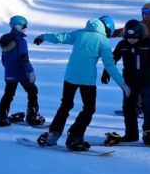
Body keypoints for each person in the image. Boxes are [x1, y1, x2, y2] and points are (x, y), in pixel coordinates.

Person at [32, 15, 130, 151]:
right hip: (87, 80)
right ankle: (75, 136)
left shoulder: (80, 33)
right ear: (107, 29)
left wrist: (43, 36)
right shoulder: (103, 41)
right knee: (89, 109)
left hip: (70, 76)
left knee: (65, 105)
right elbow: (110, 65)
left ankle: (53, 134)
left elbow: (61, 37)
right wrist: (123, 84)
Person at [0, 15, 45, 126]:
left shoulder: (5, 40)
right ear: (18, 26)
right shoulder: (21, 41)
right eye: (24, 26)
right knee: (32, 91)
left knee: (8, 94)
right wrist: (30, 71)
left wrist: (9, 69)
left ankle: (2, 116)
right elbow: (23, 58)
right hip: (22, 72)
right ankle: (32, 115)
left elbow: (3, 59)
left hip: (9, 72)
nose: (25, 28)